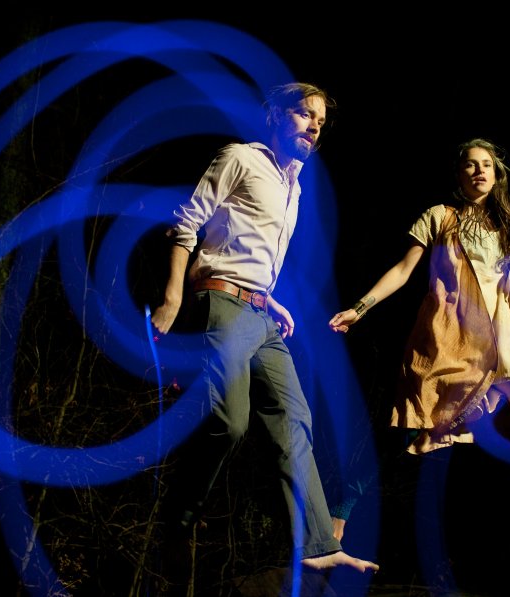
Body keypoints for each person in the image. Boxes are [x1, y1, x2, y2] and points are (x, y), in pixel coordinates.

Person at [148, 82, 379, 590]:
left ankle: (318, 547)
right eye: (305, 114)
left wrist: (270, 300)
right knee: (230, 422)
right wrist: (172, 298)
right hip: (221, 304)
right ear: (274, 115)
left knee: (295, 418)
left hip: (261, 314)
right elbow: (187, 225)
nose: (314, 126)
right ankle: (179, 521)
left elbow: (247, 252)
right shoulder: (239, 158)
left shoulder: (295, 186)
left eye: (320, 121)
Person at [327, 138, 510, 552]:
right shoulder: (439, 216)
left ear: (496, 174)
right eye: (470, 165)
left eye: (486, 164)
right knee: (412, 426)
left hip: (504, 336)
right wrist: (360, 308)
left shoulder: (506, 229)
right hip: (455, 339)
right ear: (459, 174)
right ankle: (341, 509)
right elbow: (403, 270)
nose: (479, 171)